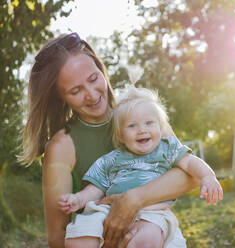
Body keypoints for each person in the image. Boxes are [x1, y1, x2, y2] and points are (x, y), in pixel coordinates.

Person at [18, 32, 199, 248]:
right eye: (76, 91)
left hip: (150, 234)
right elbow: (57, 236)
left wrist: (133, 199)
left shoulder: (139, 112)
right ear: (60, 97)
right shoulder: (61, 146)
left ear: (101, 69)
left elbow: (191, 175)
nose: (92, 95)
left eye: (94, 79)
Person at [58, 86, 223, 248]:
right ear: (120, 135)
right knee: (78, 239)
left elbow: (190, 162)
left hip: (152, 213)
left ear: (160, 127)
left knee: (147, 240)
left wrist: (207, 176)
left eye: (149, 123)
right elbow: (96, 189)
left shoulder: (167, 148)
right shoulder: (111, 159)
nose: (142, 130)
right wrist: (78, 199)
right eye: (132, 126)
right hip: (111, 210)